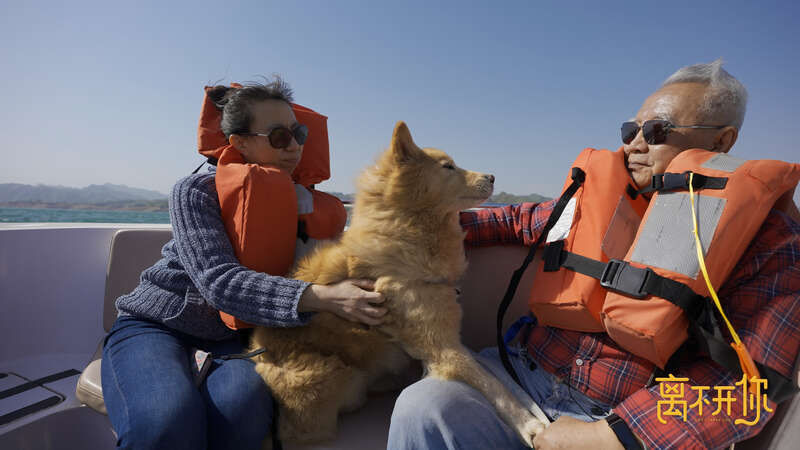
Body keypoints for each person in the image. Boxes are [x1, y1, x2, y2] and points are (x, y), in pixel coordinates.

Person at [388, 60, 800, 449]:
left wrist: (613, 435)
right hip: (520, 374)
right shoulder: (592, 200)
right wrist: (392, 239)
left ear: (722, 140)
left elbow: (748, 385)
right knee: (422, 406)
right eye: (629, 130)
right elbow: (510, 221)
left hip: (618, 416)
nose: (635, 145)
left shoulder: (769, 243)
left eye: (657, 130)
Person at [101, 77, 388, 450]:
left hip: (236, 338)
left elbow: (344, 261)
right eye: (279, 137)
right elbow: (218, 281)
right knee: (166, 426)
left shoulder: (308, 206)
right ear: (239, 142)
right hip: (158, 325)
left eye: (298, 134)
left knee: (242, 419)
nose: (295, 146)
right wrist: (324, 297)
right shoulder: (193, 193)